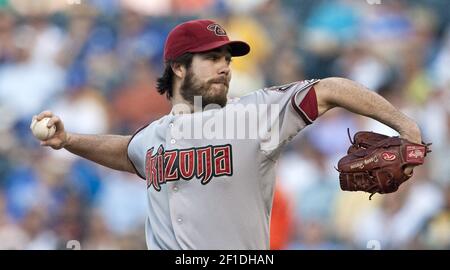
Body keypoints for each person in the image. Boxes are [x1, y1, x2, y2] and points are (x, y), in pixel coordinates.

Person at [32, 19, 422, 250]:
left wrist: (404, 126)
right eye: (212, 58)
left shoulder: (255, 114)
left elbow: (333, 89)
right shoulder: (155, 136)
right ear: (180, 68)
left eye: (227, 59)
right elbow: (128, 152)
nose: (225, 67)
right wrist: (68, 140)